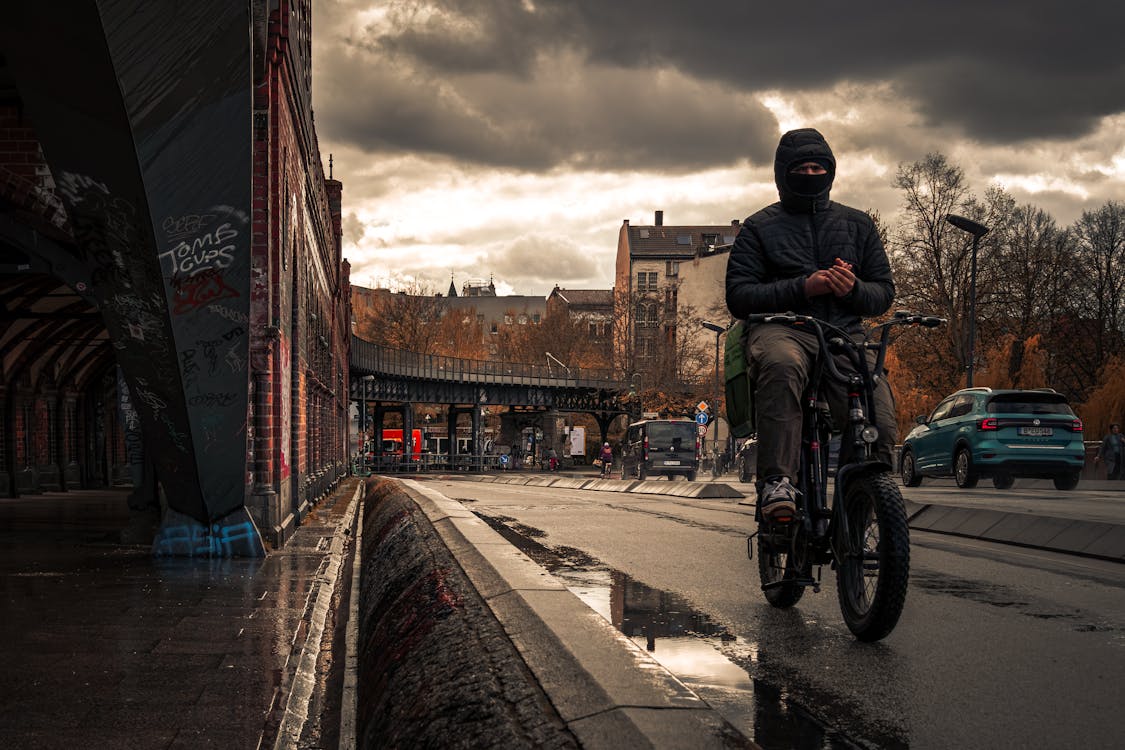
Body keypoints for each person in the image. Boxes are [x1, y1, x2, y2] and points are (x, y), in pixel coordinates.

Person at [725, 128, 897, 519]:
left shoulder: (859, 225)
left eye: (818, 166)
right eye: (801, 166)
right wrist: (805, 287)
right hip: (781, 328)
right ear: (783, 173)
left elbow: (883, 293)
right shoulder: (758, 227)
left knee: (876, 411)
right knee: (782, 366)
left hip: (843, 335)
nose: (810, 172)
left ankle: (862, 500)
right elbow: (739, 297)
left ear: (831, 171)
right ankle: (777, 483)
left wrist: (852, 290)